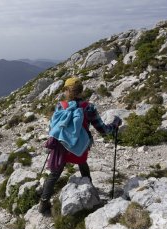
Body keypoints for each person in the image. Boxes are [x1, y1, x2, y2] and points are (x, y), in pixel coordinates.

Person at [39, 77, 122, 214]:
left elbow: (52, 127)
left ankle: (43, 203)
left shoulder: (61, 106)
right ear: (81, 90)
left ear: (66, 91)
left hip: (62, 146)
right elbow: (103, 130)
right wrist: (115, 125)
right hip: (80, 147)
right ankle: (90, 192)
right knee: (83, 164)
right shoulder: (89, 107)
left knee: (54, 174)